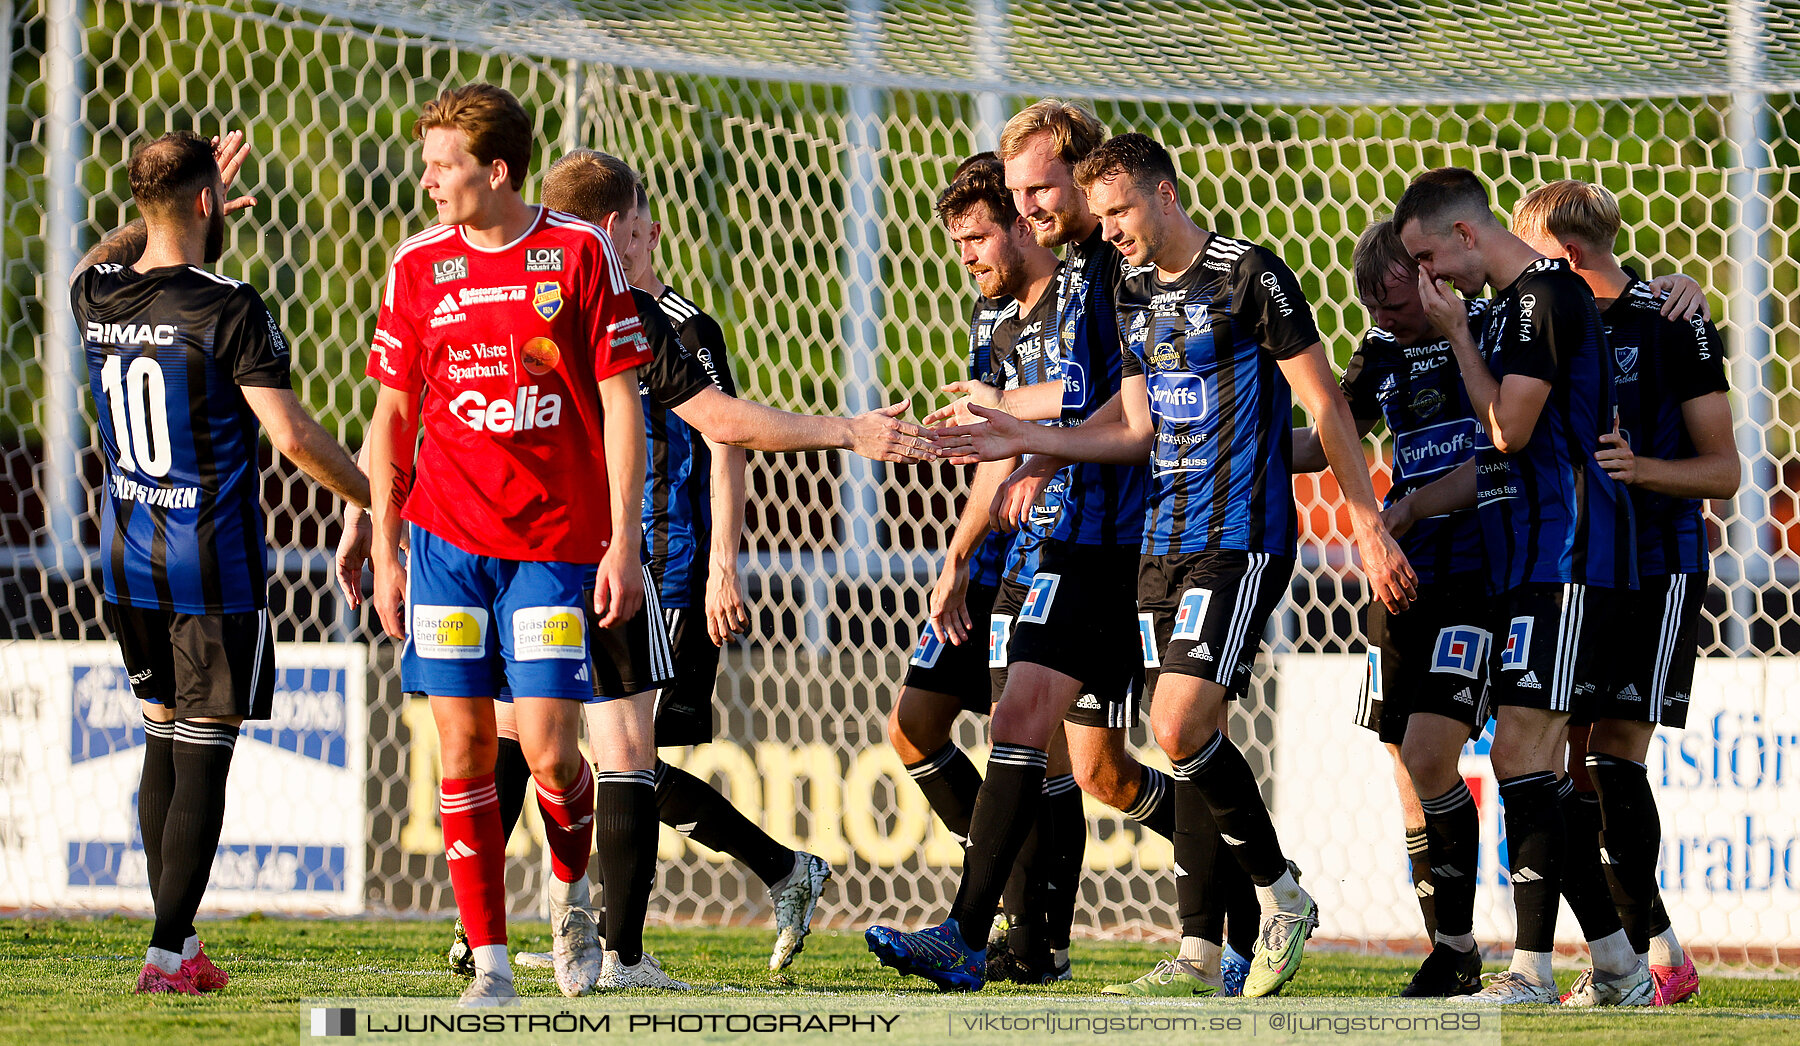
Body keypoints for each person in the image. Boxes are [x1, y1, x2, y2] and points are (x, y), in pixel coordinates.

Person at [936, 133, 1416, 998]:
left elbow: (1323, 403)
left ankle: (1279, 893)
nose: (1110, 228)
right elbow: (1132, 429)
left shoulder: (1248, 274)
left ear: (1165, 194)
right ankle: (1203, 950)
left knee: (1180, 722)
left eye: (1120, 210)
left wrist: (1368, 522)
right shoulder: (1125, 292)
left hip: (1238, 537)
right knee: (1174, 734)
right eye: (1104, 214)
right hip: (1159, 540)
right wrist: (1032, 442)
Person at [863, 101, 1162, 993]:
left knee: (1086, 758)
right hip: (1032, 546)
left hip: (1110, 539)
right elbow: (1021, 432)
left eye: (1034, 195)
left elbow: (1121, 409)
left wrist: (1028, 436)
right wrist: (957, 552)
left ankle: (1021, 930)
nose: (978, 253)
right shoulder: (1038, 302)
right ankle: (1013, 920)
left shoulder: (1119, 271)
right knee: (995, 737)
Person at [365, 84, 654, 1003]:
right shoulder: (416, 267)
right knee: (458, 750)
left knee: (552, 757)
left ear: (496, 171)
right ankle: (490, 963)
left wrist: (622, 543)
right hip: (445, 540)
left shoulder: (579, 254)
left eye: (442, 165)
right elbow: (394, 415)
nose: (427, 180)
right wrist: (383, 546)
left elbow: (619, 407)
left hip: (552, 547)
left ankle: (570, 896)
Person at [71, 129, 369, 994]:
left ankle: (178, 945)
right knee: (203, 748)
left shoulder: (99, 296)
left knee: (161, 735)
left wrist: (161, 212)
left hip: (128, 562)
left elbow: (100, 258)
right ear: (210, 203)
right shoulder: (230, 305)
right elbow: (293, 435)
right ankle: (168, 956)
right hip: (213, 566)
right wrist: (380, 500)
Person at [1389, 167, 1636, 1005]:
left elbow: (1509, 427)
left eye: (1427, 255)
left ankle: (1533, 971)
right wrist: (1413, 506)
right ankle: (1617, 963)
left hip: (1569, 558)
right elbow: (1491, 458)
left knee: (1522, 754)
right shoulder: (1506, 308)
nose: (1427, 278)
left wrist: (1458, 337)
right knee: (1533, 764)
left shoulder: (1536, 299)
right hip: (1526, 565)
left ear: (1465, 235)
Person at [1512, 180, 1736, 1007]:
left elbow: (1727, 471)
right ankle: (1654, 953)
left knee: (1611, 759)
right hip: (1578, 568)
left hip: (1658, 564)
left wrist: (1640, 469)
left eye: (1528, 255)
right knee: (1564, 767)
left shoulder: (1669, 320)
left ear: (1562, 255)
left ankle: (1642, 959)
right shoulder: (1543, 322)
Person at [1291, 219, 1495, 995]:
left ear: (1428, 276)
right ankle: (1451, 948)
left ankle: (1476, 945)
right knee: (1401, 759)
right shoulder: (1378, 352)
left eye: (1395, 307)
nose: (1385, 322)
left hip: (1476, 568)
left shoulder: (1484, 331)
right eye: (1372, 310)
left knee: (1436, 754)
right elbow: (1321, 444)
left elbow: (1504, 450)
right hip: (1401, 573)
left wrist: (1402, 512)